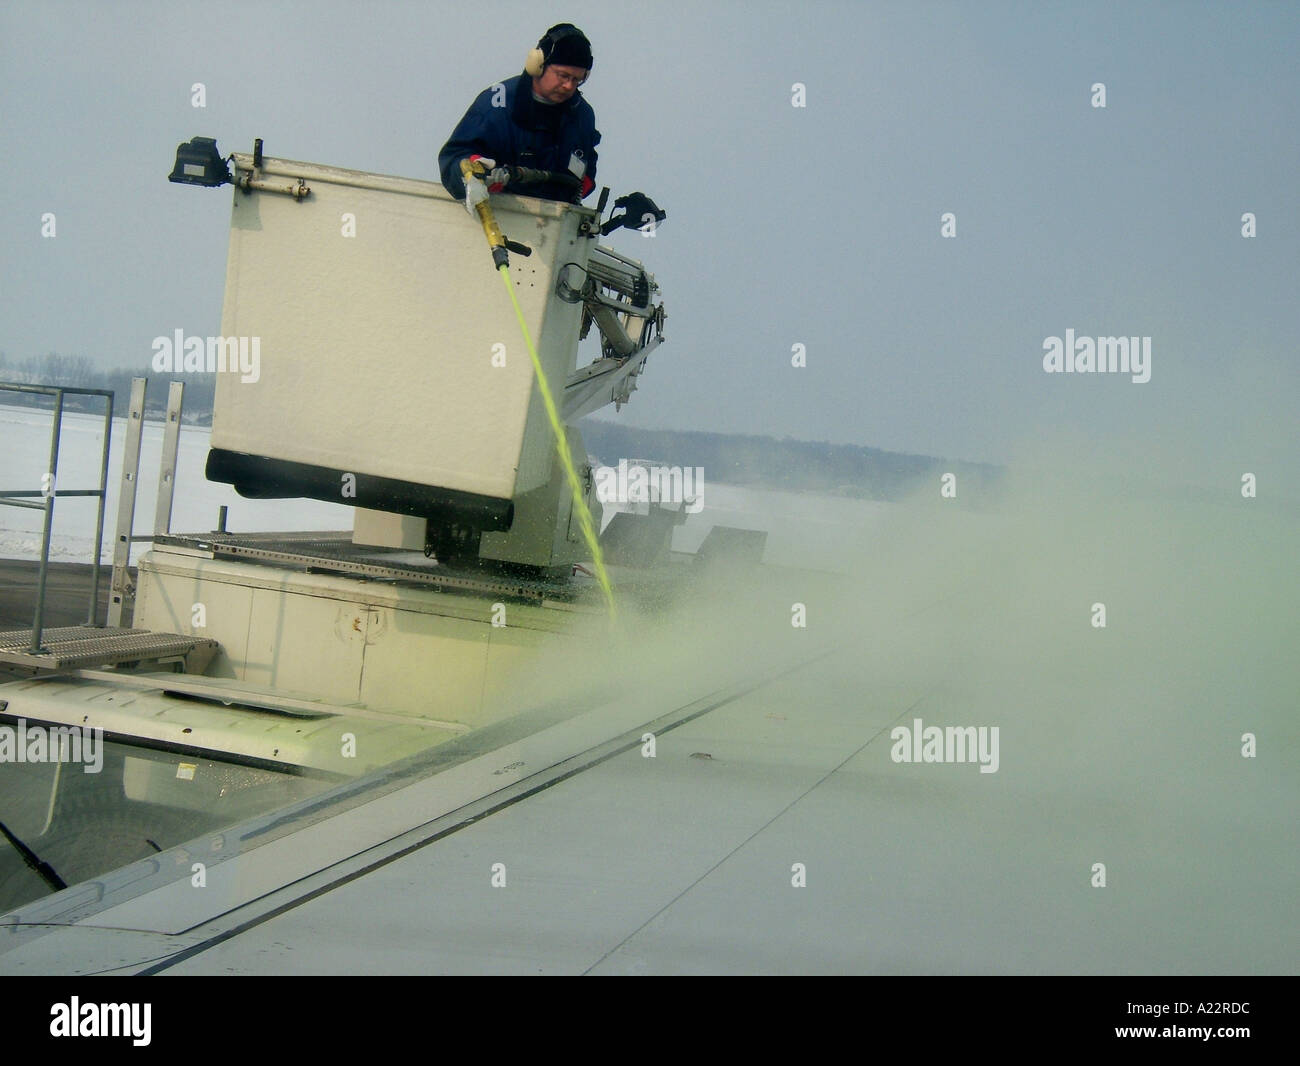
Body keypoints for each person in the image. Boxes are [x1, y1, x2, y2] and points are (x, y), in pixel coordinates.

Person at [439, 24, 601, 208]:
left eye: (577, 80)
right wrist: (474, 175)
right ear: (538, 64)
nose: (568, 86)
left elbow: (586, 172)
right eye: (563, 76)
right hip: (500, 218)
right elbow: (454, 158)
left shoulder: (582, 115)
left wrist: (582, 186)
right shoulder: (497, 105)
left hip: (556, 226)